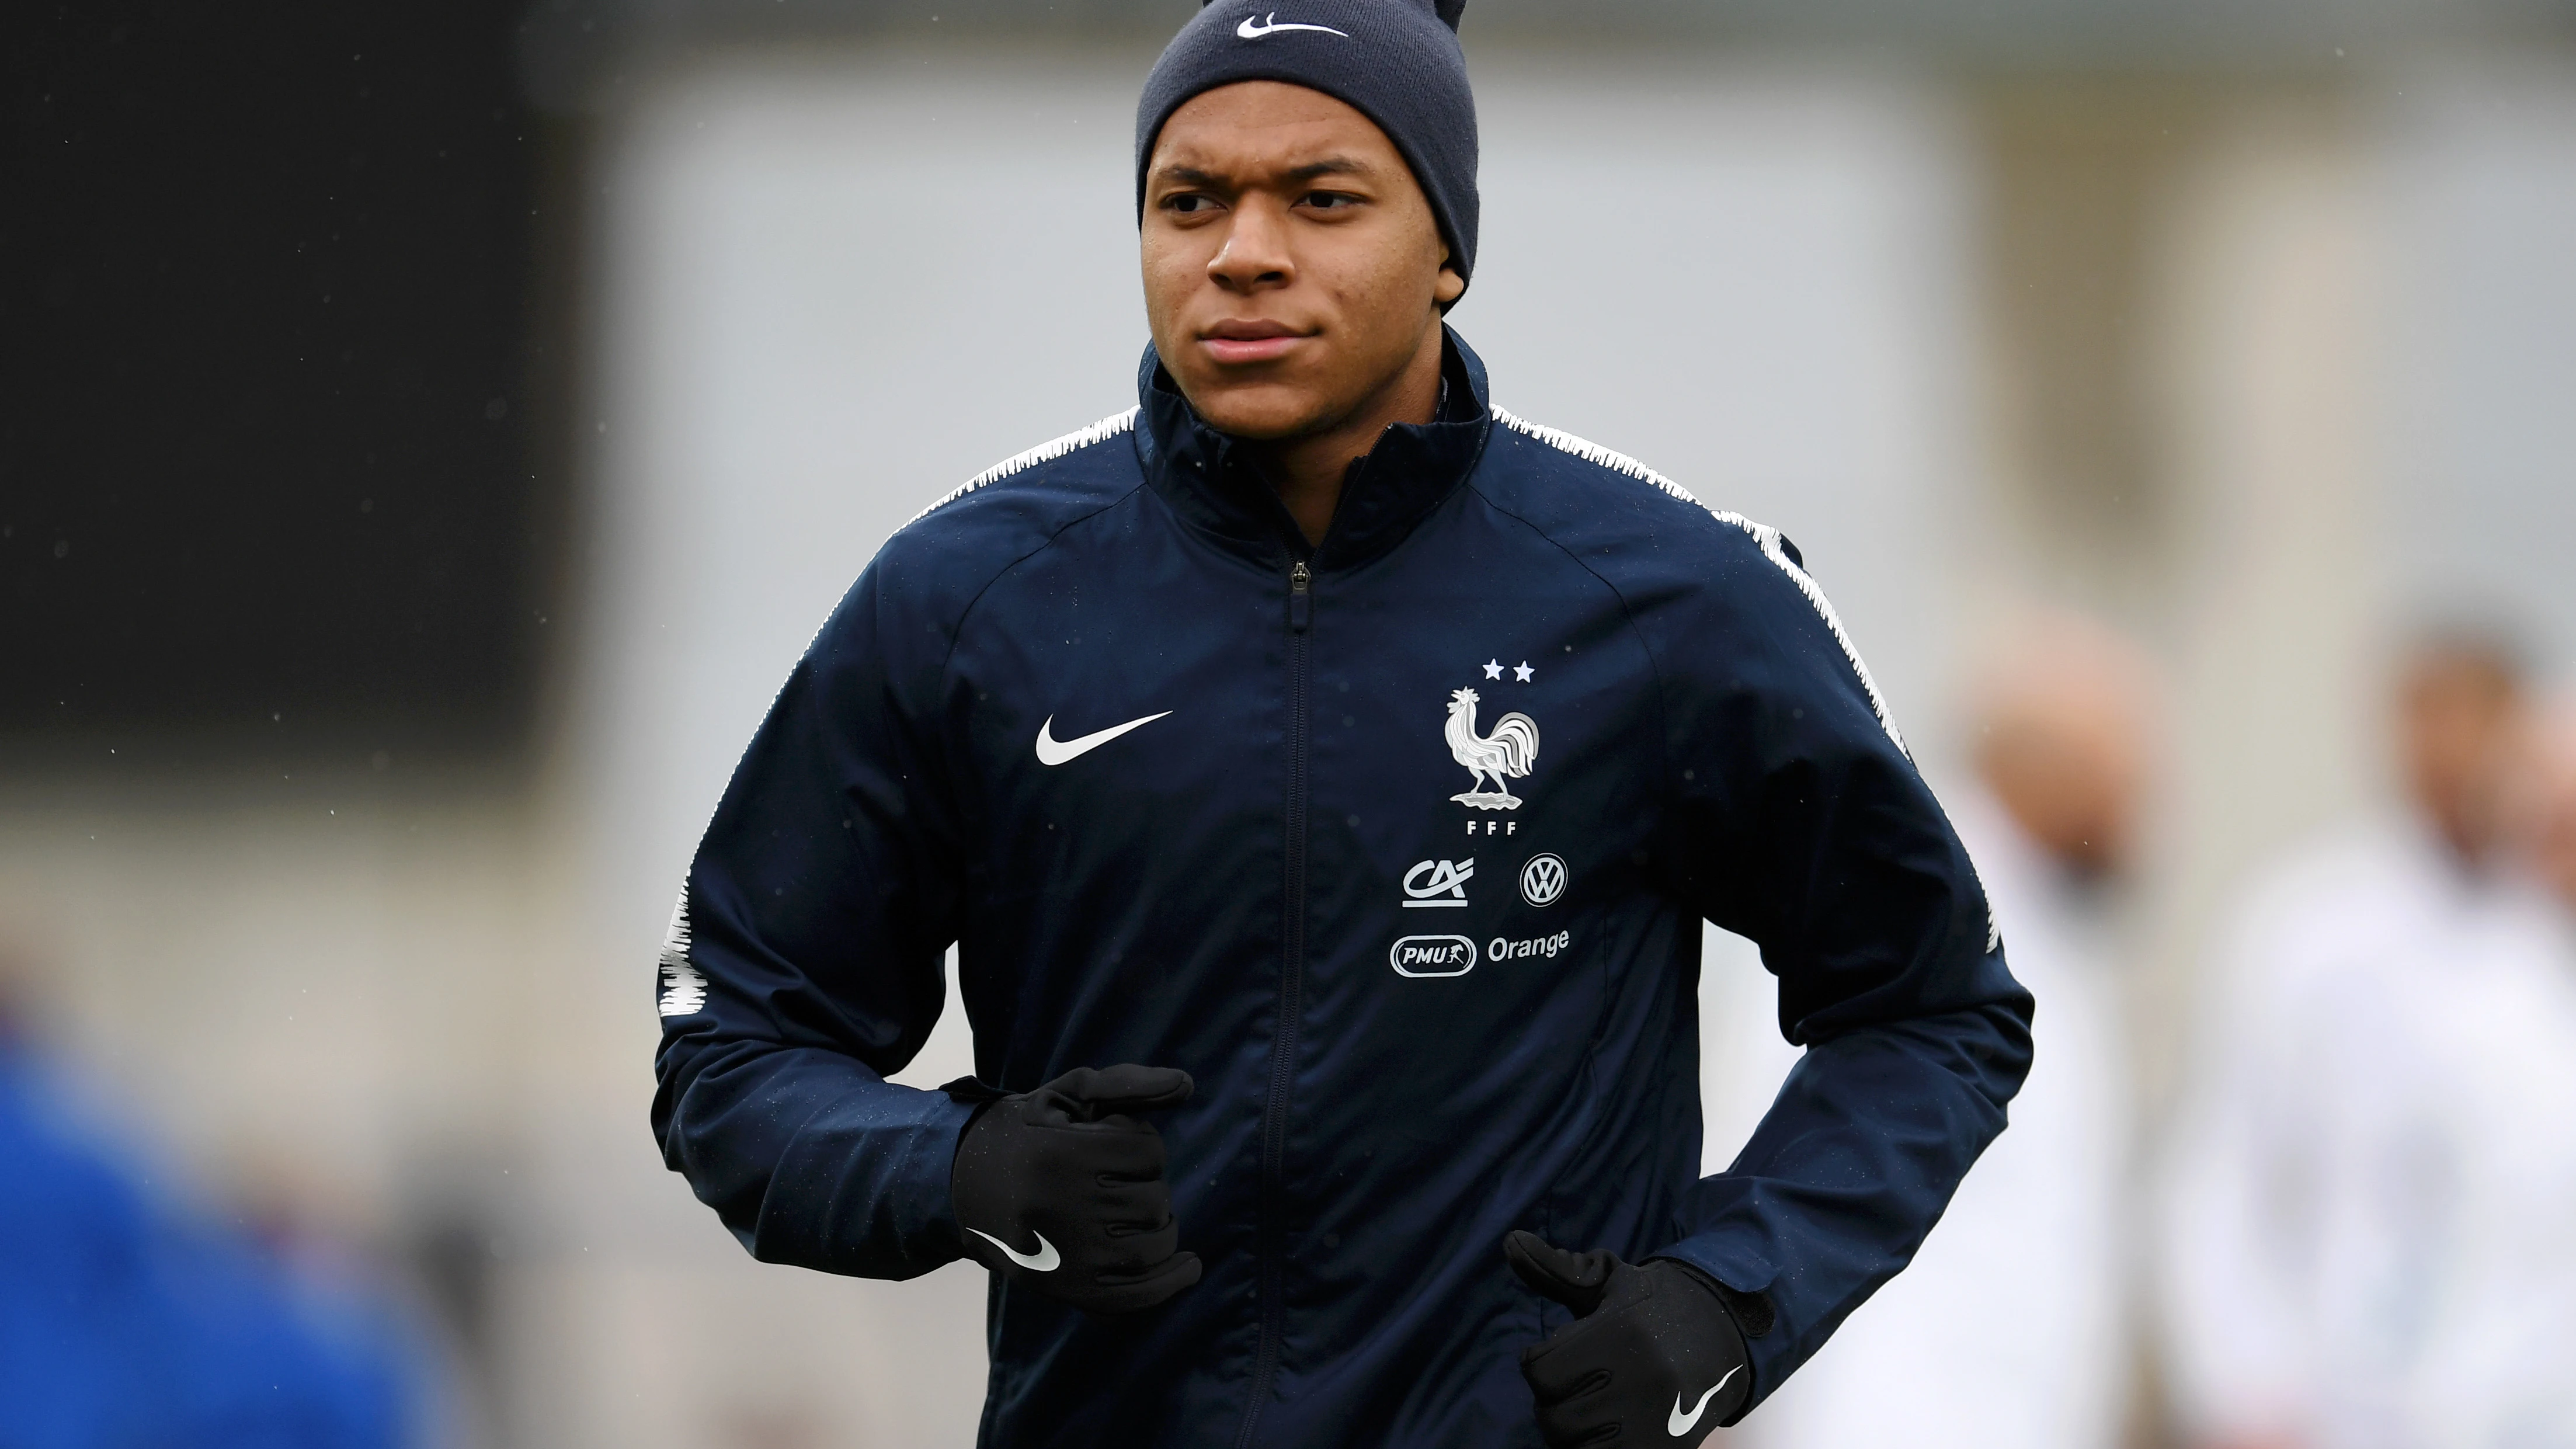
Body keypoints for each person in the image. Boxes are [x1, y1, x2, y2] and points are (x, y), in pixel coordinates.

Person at [648, 4, 2032, 1444]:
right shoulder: (965, 600)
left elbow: (1935, 1010)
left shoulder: (1670, 598)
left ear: (1446, 252)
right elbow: (732, 1048)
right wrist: (953, 1168)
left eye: (1322, 198)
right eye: (1190, 201)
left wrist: (1724, 1303)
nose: (1242, 250)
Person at [1722, 613, 2144, 1449]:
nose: (2140, 812)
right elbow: (1768, 1151)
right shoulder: (1902, 901)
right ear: (2047, 769)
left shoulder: (2043, 923)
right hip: (1886, 1407)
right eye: (2121, 774)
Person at [2158, 629, 2532, 1449]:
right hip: (2338, 1399)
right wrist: (2243, 1387)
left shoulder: (2541, 927)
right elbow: (2225, 1171)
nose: (2451, 755)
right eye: (2426, 723)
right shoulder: (2310, 932)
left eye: (2475, 724)